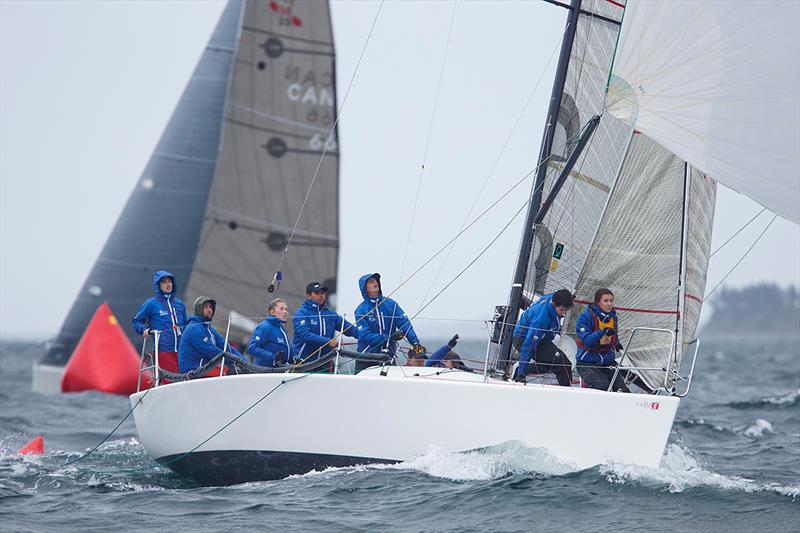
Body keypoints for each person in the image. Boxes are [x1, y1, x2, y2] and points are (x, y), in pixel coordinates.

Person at [575, 288, 651, 393]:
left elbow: (613, 335)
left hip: (607, 362)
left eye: (611, 301)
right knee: (602, 385)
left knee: (623, 391)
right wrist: (601, 332)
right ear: (598, 302)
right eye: (605, 301)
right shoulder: (585, 317)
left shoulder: (613, 317)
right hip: (586, 363)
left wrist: (617, 343)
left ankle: (650, 391)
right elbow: (587, 342)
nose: (609, 304)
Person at [355, 273, 425, 370]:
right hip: (366, 358)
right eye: (371, 282)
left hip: (388, 357)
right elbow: (364, 335)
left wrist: (415, 343)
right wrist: (389, 338)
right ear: (364, 288)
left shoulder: (391, 304)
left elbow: (404, 323)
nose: (376, 284)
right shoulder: (360, 310)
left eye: (376, 281)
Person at [513, 289, 574, 386]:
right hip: (523, 339)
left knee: (561, 363)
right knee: (563, 364)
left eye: (566, 310)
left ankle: (524, 368)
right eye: (561, 310)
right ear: (553, 304)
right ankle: (520, 370)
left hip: (541, 336)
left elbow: (561, 297)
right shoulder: (541, 319)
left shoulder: (555, 297)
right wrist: (521, 374)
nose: (564, 313)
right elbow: (528, 346)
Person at [132, 270, 187, 377]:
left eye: (170, 281)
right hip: (163, 351)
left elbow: (185, 326)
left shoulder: (180, 304)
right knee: (172, 381)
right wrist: (144, 330)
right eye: (164, 282)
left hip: (182, 351)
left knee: (184, 379)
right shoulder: (151, 304)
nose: (168, 284)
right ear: (158, 285)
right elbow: (136, 321)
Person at [293, 281, 359, 365]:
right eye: (317, 293)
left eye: (323, 293)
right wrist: (328, 342)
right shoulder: (301, 313)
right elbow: (305, 336)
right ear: (309, 296)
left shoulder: (331, 315)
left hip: (326, 363)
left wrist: (367, 336)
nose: (321, 295)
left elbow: (351, 329)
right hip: (304, 363)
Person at [178, 296, 245, 374]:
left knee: (238, 371)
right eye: (205, 307)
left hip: (205, 368)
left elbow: (226, 347)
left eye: (211, 307)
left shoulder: (210, 329)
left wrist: (244, 362)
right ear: (199, 309)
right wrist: (236, 361)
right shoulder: (194, 328)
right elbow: (211, 351)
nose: (209, 310)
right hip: (194, 370)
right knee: (233, 372)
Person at [248, 298, 292, 367]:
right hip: (265, 373)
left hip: (279, 371)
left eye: (286, 309)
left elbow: (288, 349)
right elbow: (252, 349)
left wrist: (295, 359)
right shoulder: (264, 327)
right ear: (272, 312)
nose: (285, 312)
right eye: (281, 309)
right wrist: (273, 357)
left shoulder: (281, 328)